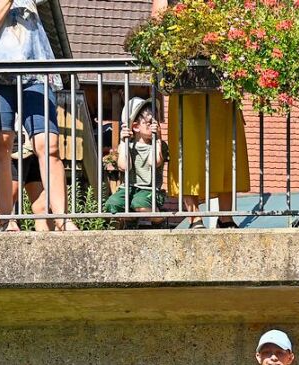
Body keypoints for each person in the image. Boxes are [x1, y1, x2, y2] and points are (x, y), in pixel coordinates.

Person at [0, 0, 78, 231]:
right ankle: (5, 220)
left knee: (49, 144)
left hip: (35, 73)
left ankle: (63, 220)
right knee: (2, 143)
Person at [151, 0, 249, 229]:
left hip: (219, 85)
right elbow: (156, 26)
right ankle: (195, 218)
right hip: (185, 84)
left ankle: (226, 217)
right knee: (187, 150)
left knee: (226, 147)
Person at [106, 96, 166, 225]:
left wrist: (158, 140)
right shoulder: (128, 144)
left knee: (139, 202)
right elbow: (124, 166)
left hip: (150, 189)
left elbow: (154, 162)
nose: (154, 127)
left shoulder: (158, 144)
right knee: (113, 204)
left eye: (156, 123)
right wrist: (123, 142)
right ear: (136, 127)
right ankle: (131, 222)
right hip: (129, 187)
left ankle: (159, 221)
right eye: (149, 123)